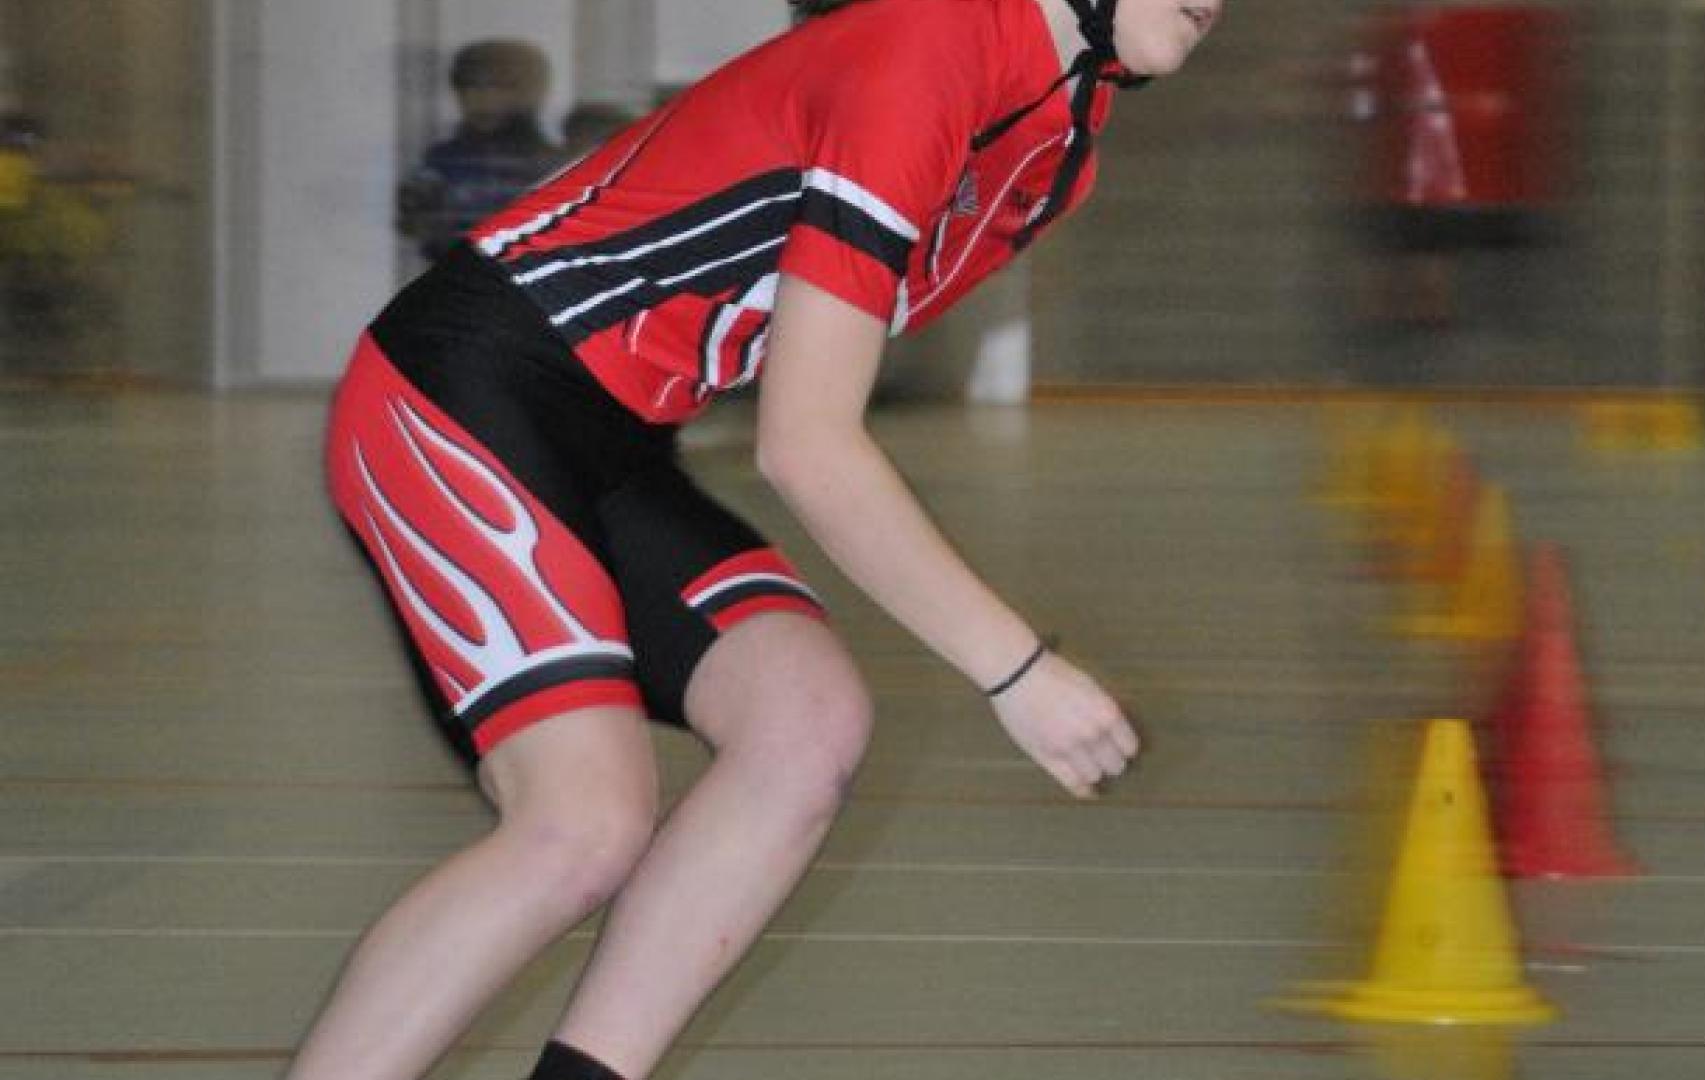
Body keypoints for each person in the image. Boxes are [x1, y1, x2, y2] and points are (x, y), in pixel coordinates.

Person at [303, 1, 1223, 1078]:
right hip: (464, 390)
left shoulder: (1058, 147)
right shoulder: (927, 49)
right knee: (580, 824)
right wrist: (1015, 671)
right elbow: (807, 445)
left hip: (611, 432)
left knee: (806, 721)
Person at [398, 40, 559, 262]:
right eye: (470, 87)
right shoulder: (442, 161)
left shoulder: (553, 165)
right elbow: (415, 225)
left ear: (529, 94)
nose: (482, 99)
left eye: (499, 87)